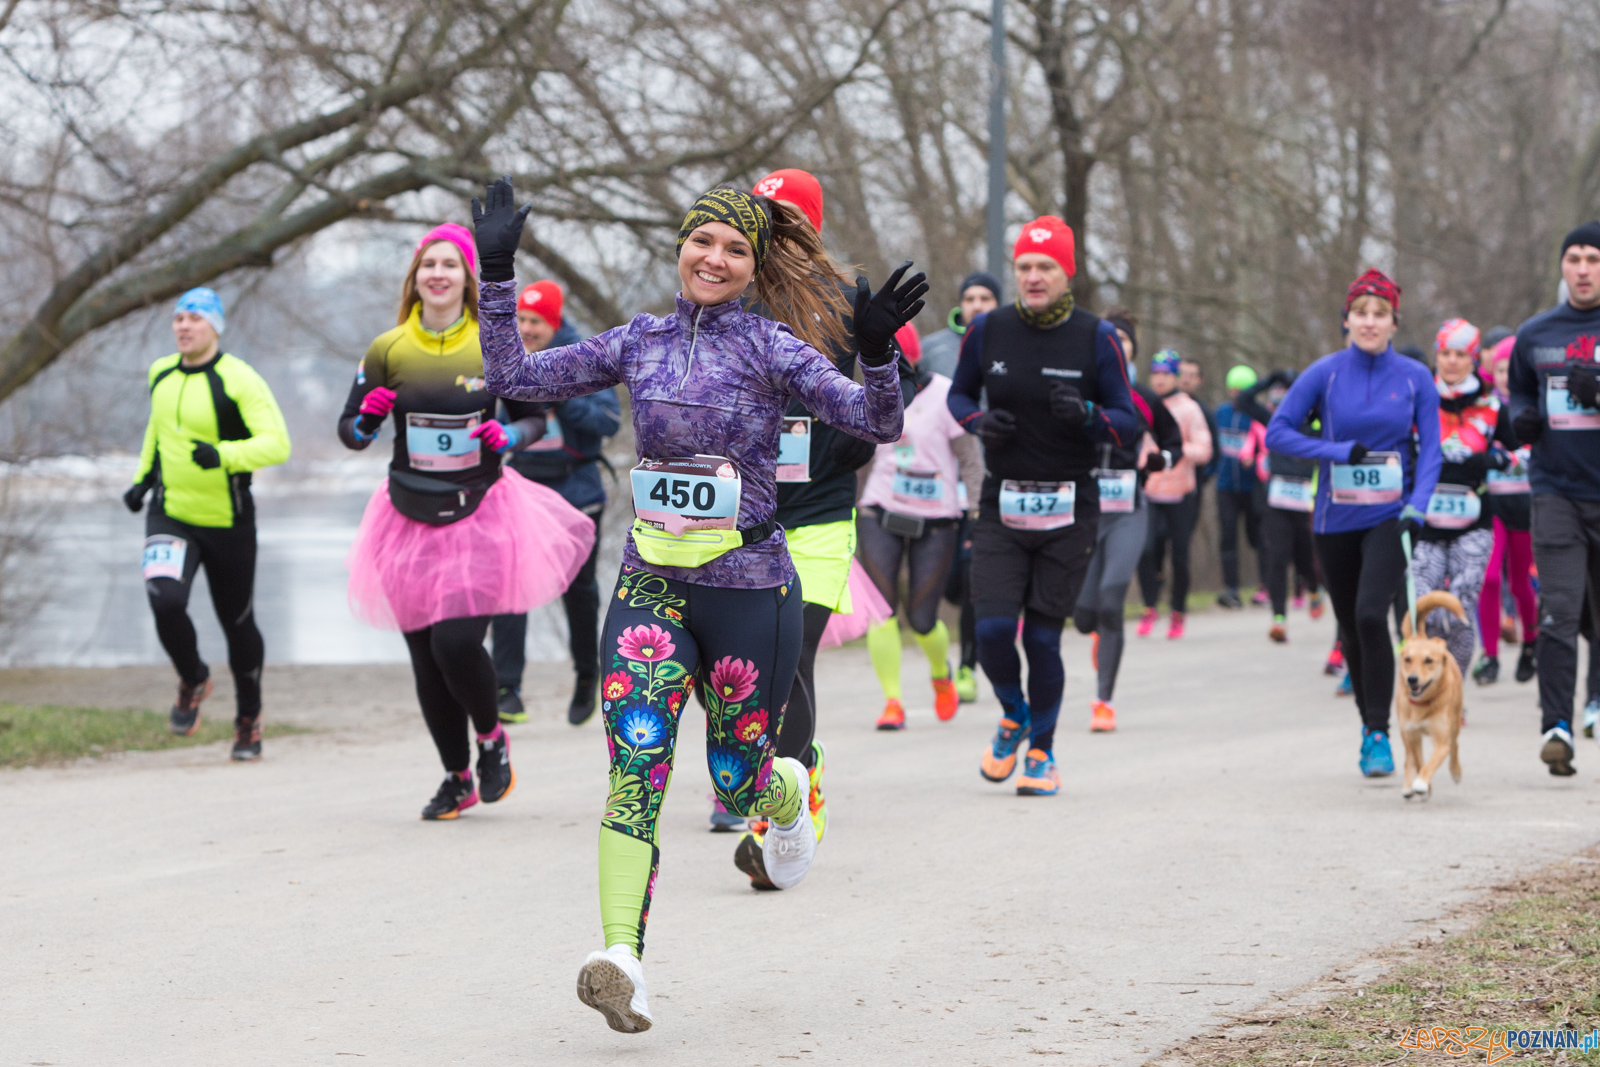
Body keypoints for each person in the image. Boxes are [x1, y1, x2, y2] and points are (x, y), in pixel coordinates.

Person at [473, 176, 920, 1031]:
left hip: (750, 588)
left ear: (753, 267)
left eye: (735, 248)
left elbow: (876, 422)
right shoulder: (638, 342)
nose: (714, 258)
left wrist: (875, 352)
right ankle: (622, 960)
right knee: (634, 771)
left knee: (737, 774)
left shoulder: (771, 346)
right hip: (651, 585)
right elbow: (513, 373)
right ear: (680, 249)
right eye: (702, 241)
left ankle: (788, 804)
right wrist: (498, 274)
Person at [339, 223, 595, 820]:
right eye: (429, 264)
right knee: (425, 654)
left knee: (456, 641)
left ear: (465, 278)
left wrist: (509, 434)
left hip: (481, 508)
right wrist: (368, 421)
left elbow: (536, 417)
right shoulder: (386, 349)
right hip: (405, 512)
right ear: (415, 278)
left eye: (450, 265)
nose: (438, 274)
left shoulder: (494, 343)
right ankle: (456, 777)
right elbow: (350, 432)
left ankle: (491, 738)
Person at [723, 168, 918, 861]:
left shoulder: (844, 299)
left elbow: (895, 400)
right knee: (743, 667)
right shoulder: (728, 296)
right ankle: (776, 774)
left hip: (821, 511)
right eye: (761, 217)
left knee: (789, 656)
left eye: (784, 217)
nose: (771, 230)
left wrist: (845, 429)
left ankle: (788, 804)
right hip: (741, 517)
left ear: (810, 227)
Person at [949, 215, 1141, 797]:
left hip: (1069, 507)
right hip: (1003, 503)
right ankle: (1014, 713)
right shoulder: (989, 331)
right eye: (1025, 267)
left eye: (1045, 267)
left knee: (1041, 640)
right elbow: (958, 394)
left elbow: (1129, 422)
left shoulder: (1096, 337)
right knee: (992, 631)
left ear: (1067, 273)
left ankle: (1041, 753)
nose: (1033, 277)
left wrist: (1088, 417)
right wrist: (981, 422)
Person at [1266, 268, 1441, 777]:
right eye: (1360, 314)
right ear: (1346, 320)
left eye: (1379, 314)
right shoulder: (1325, 373)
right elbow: (1278, 432)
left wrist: (1418, 506)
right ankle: (1370, 729)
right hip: (1333, 520)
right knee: (1350, 625)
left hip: (1391, 516)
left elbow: (1430, 449)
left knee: (1370, 615)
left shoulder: (1415, 377)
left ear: (1393, 321)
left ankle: (1378, 732)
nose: (1369, 322)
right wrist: (1335, 449)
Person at [124, 287, 291, 760]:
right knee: (164, 599)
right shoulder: (160, 373)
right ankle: (194, 677)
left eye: (194, 318)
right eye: (177, 318)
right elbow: (157, 432)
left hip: (228, 520)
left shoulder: (238, 379)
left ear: (214, 327)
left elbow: (277, 444)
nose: (182, 326)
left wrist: (223, 455)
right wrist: (141, 481)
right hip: (171, 511)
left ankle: (248, 719)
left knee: (237, 624)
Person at [490, 281, 621, 726]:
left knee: (578, 591)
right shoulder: (509, 354)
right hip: (524, 486)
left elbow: (607, 421)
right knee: (512, 581)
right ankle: (506, 687)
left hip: (576, 490)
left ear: (555, 323)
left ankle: (588, 675)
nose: (525, 329)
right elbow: (494, 416)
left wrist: (559, 399)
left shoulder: (582, 356)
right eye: (520, 321)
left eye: (535, 323)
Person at [1505, 221, 1600, 776]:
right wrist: (1523, 417)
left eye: (1593, 258)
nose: (1583, 268)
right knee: (1559, 611)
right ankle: (1555, 727)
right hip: (1556, 490)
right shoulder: (1537, 333)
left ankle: (1596, 701)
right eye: (1574, 259)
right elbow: (1519, 387)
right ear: (1562, 268)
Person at [858, 322, 982, 730]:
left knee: (924, 618)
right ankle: (892, 700)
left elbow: (969, 458)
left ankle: (940, 674)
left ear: (913, 356)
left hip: (937, 518)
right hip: (881, 509)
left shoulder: (946, 394)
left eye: (896, 356)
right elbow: (859, 451)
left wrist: (978, 509)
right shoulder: (872, 393)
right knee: (881, 609)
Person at [1071, 306, 1182, 732]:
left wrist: (1160, 459)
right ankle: (1097, 629)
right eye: (1109, 340)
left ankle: (1104, 702)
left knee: (1113, 600)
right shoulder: (1080, 390)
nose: (1116, 347)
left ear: (1132, 350)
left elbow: (1174, 443)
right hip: (1083, 510)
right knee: (1084, 615)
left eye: (1125, 341)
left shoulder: (1145, 399)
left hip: (1127, 510)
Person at [1412, 318, 1512, 682]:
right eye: (1445, 353)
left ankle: (1452, 692)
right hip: (1426, 521)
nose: (1451, 362)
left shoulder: (1492, 404)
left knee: (1458, 610)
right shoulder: (1420, 399)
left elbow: (1521, 452)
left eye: (1460, 355)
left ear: (1473, 359)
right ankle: (1429, 681)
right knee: (1426, 608)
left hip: (1474, 521)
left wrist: (1494, 459)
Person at [1236, 370, 1325, 642]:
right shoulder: (1275, 422)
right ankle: (1279, 619)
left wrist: (1302, 384)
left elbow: (1328, 414)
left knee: (1304, 559)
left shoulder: (1314, 428)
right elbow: (1243, 401)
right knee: (1277, 557)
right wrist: (1269, 378)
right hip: (1275, 501)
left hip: (1304, 502)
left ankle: (1313, 588)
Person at [1135, 351, 1214, 639]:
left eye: (1166, 374)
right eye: (1155, 373)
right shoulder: (1142, 404)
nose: (1159, 379)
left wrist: (1173, 454)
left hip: (1181, 495)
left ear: (1176, 378)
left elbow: (1205, 450)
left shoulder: (1189, 409)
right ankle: (1149, 607)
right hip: (1150, 492)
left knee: (1179, 556)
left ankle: (1178, 611)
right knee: (1145, 552)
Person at [1475, 333, 1538, 686]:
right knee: (1489, 578)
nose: (1505, 375)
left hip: (1526, 507)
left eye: (1510, 369)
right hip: (1494, 505)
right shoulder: (1485, 408)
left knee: (1520, 583)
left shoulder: (1534, 406)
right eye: (1499, 369)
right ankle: (1490, 655)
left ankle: (1530, 643)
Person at [1214, 365, 1263, 609]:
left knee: (1258, 538)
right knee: (1228, 537)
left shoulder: (1257, 415)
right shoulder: (1221, 413)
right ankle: (1231, 590)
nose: (1238, 395)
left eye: (1243, 391)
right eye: (1234, 390)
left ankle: (1265, 587)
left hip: (1253, 486)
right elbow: (1214, 446)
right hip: (1226, 488)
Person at [919, 272, 1002, 380]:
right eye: (969, 299)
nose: (977, 306)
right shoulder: (930, 348)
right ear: (961, 304)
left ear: (997, 303)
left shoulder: (1014, 345)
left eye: (985, 298)